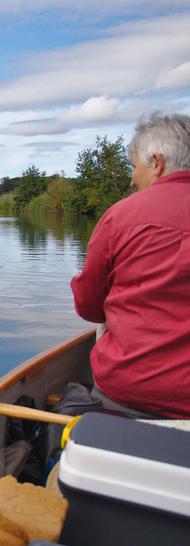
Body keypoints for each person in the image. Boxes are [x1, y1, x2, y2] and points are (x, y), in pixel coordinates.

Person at [70, 112, 190, 418]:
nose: (132, 178)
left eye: (134, 167)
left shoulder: (122, 216)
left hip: (133, 391)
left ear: (157, 162)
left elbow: (89, 307)